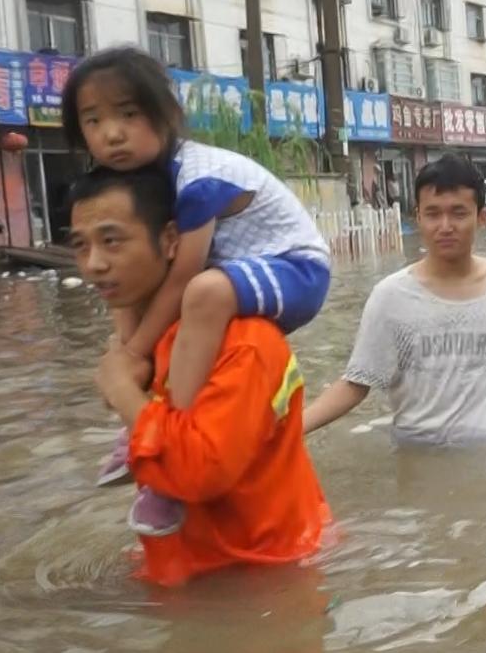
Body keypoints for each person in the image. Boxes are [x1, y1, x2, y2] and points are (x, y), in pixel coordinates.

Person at [61, 46, 331, 537]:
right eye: (93, 121)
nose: (112, 133)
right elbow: (135, 298)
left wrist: (129, 369)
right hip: (200, 578)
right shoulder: (153, 187)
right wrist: (129, 356)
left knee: (205, 290)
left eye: (127, 113)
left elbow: (185, 277)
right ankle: (146, 435)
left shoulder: (196, 179)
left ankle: (166, 429)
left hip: (296, 268)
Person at [69, 165, 328, 586]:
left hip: (266, 582)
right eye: (80, 246)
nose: (94, 264)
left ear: (172, 239)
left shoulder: (244, 343)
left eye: (112, 241)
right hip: (192, 575)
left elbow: (199, 472)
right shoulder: (145, 342)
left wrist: (121, 390)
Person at [303, 157, 486, 443]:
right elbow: (357, 383)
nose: (445, 226)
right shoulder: (390, 296)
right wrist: (290, 429)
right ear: (418, 218)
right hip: (418, 459)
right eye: (432, 214)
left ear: (482, 218)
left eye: (458, 213)